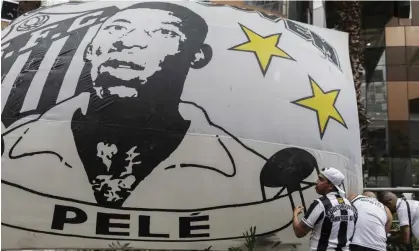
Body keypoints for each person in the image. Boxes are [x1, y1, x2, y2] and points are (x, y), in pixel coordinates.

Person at [1, 2, 315, 212]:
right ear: (90, 50)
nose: (128, 42)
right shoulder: (11, 146)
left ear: (198, 56)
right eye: (116, 29)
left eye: (163, 33)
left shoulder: (251, 172)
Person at [293, 167, 357, 251]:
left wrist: (295, 214)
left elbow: (299, 232)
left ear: (331, 185)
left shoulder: (320, 204)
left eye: (321, 180)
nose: (316, 182)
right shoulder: (351, 205)